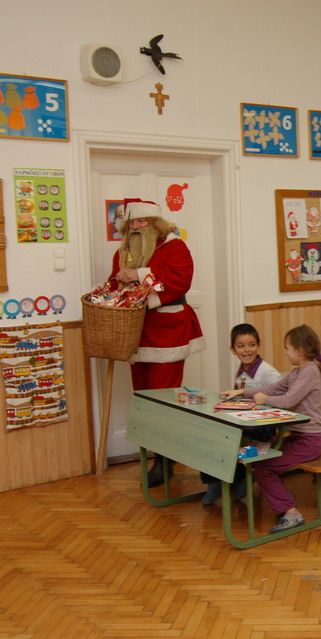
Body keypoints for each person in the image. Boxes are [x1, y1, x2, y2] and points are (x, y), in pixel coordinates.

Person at [110, 198, 205, 487]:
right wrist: (116, 288)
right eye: (132, 223)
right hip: (136, 333)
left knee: (163, 399)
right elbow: (114, 285)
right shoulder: (122, 252)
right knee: (144, 399)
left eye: (142, 221)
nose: (136, 227)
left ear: (156, 224)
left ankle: (165, 459)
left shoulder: (175, 248)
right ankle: (155, 453)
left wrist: (138, 275)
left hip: (168, 333)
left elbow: (177, 282)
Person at [220, 325, 321, 533]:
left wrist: (265, 400)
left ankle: (291, 513)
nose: (285, 353)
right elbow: (273, 388)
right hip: (298, 437)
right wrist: (242, 392)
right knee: (258, 457)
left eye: (287, 348)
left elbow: (288, 400)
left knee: (264, 468)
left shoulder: (310, 371)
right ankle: (284, 500)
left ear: (300, 350)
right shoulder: (297, 372)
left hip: (308, 441)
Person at [200, 323, 281, 505]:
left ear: (258, 346)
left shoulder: (267, 371)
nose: (247, 350)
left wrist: (264, 400)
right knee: (211, 434)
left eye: (252, 345)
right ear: (233, 349)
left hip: (262, 426)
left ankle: (243, 478)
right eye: (241, 346)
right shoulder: (241, 370)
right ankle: (214, 481)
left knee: (231, 439)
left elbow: (282, 393)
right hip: (244, 421)